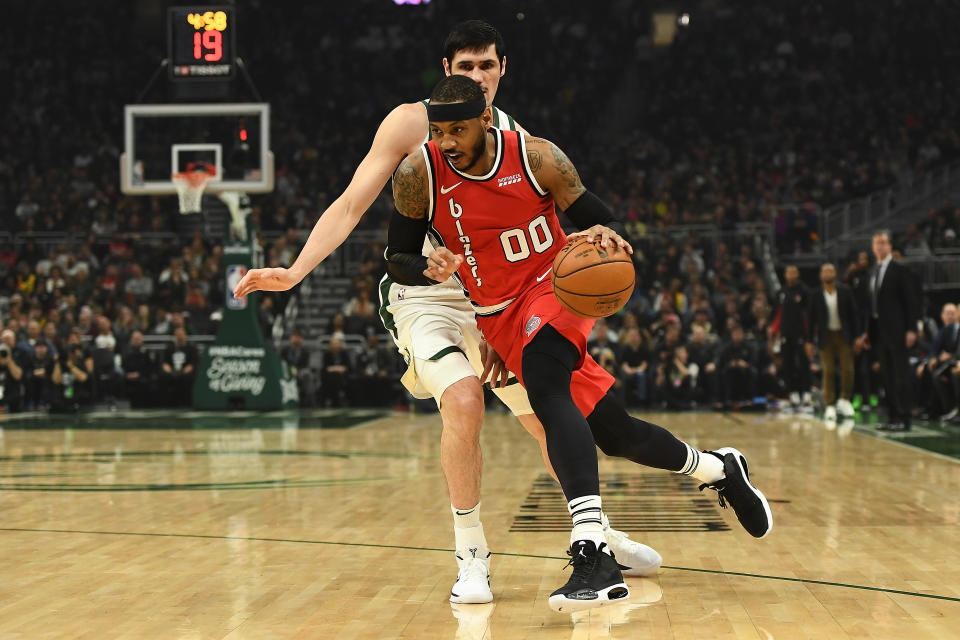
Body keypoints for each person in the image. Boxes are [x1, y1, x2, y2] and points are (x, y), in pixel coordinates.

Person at [231, 19, 660, 602]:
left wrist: (517, 319)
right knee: (463, 401)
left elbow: (546, 234)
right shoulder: (411, 124)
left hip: (495, 298)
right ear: (447, 72)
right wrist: (295, 271)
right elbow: (355, 200)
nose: (477, 77)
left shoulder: (519, 142)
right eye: (465, 68)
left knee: (548, 419)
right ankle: (471, 556)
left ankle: (598, 540)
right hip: (423, 292)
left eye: (486, 66)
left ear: (502, 70)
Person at [386, 75, 772, 612]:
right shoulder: (418, 173)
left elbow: (597, 213)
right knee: (616, 434)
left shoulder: (537, 157)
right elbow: (396, 256)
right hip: (497, 318)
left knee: (546, 392)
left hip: (555, 288)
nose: (447, 141)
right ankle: (718, 468)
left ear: (484, 120)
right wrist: (427, 266)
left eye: (458, 129)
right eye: (439, 130)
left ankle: (591, 550)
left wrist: (607, 233)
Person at [859, 230, 920, 431]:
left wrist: (911, 328)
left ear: (890, 246)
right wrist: (867, 332)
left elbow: (911, 301)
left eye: (883, 243)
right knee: (886, 376)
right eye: (877, 243)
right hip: (879, 332)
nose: (880, 246)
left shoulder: (900, 270)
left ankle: (904, 418)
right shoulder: (872, 272)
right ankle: (892, 416)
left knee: (900, 375)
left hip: (898, 330)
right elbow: (871, 307)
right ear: (873, 247)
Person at [806, 263, 859, 422]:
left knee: (847, 369)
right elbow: (811, 320)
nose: (828, 273)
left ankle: (844, 400)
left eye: (831, 270)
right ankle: (829, 404)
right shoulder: (815, 294)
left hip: (844, 335)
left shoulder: (845, 291)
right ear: (821, 275)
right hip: (826, 336)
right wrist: (809, 341)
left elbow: (853, 315)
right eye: (825, 271)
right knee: (828, 370)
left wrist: (857, 337)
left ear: (835, 273)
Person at [772, 265, 811, 410]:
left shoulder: (804, 291)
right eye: (789, 272)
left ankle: (806, 394)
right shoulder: (781, 292)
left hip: (802, 335)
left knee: (803, 364)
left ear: (798, 274)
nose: (791, 275)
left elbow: (809, 315)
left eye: (794, 272)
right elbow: (777, 314)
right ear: (785, 275)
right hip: (785, 335)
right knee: (788, 364)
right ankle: (792, 394)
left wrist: (809, 337)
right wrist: (775, 332)